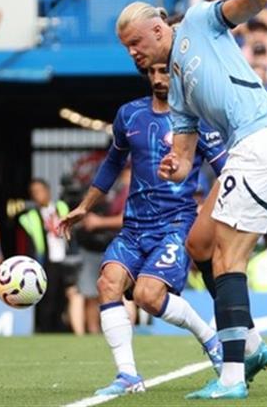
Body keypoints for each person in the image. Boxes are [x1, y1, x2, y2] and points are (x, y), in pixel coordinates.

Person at [116, 0, 267, 398]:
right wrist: (173, 166)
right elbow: (183, 159)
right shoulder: (177, 87)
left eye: (136, 43)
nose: (133, 53)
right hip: (247, 150)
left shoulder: (200, 20)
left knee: (227, 258)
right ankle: (249, 343)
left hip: (264, 141)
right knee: (199, 244)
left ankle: (233, 376)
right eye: (127, 47)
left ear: (159, 29)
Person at [58, 62, 228, 396]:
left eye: (164, 71)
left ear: (177, 73)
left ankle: (211, 340)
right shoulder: (130, 115)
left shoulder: (197, 118)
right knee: (107, 283)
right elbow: (112, 163)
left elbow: (226, 170)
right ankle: (127, 375)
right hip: (134, 225)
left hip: (175, 224)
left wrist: (214, 216)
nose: (157, 78)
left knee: (147, 296)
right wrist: (84, 206)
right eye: (151, 72)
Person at [16, 178, 81, 334]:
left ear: (48, 191)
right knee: (47, 297)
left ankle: (63, 328)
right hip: (46, 261)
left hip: (66, 259)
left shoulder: (62, 207)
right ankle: (45, 329)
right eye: (34, 192)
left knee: (65, 296)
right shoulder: (29, 217)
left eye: (39, 191)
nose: (37, 195)